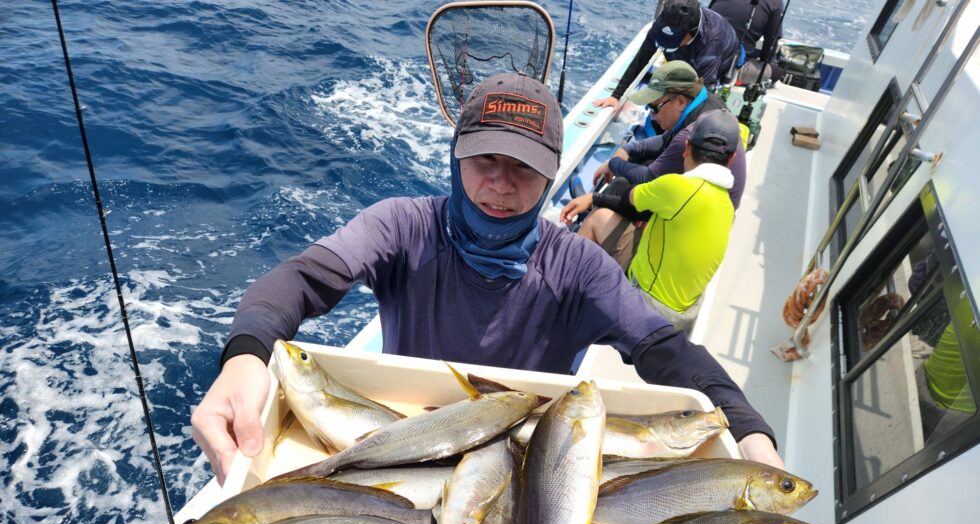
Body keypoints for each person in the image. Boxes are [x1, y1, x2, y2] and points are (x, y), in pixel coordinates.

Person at [191, 72, 782, 485]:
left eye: (525, 169)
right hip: (403, 444)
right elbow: (298, 281)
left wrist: (749, 429)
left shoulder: (577, 267)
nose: (502, 185)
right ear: (456, 155)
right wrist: (245, 356)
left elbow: (666, 348)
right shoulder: (401, 226)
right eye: (486, 161)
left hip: (518, 463)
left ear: (550, 175)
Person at [560, 61, 745, 267]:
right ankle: (591, 212)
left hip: (666, 259)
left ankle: (584, 231)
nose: (653, 117)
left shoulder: (688, 136)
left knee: (606, 208)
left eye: (655, 107)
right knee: (623, 181)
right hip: (696, 223)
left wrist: (612, 165)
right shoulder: (705, 107)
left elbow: (646, 180)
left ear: (681, 101)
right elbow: (665, 140)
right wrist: (627, 150)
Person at [622, 110, 740, 332]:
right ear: (731, 159)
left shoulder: (676, 186)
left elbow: (632, 196)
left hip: (646, 304)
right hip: (682, 316)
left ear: (686, 147)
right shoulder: (728, 207)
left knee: (600, 221)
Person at [594, 0, 739, 109]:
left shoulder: (712, 41)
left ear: (690, 32)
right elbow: (642, 56)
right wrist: (616, 96)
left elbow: (702, 92)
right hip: (688, 53)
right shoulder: (663, 23)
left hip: (720, 60)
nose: (668, 44)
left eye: (673, 41)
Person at [709, 0, 784, 62]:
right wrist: (765, 60)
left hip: (704, 48)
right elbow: (771, 41)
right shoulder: (776, 2)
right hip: (733, 61)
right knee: (776, 72)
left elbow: (706, 16)